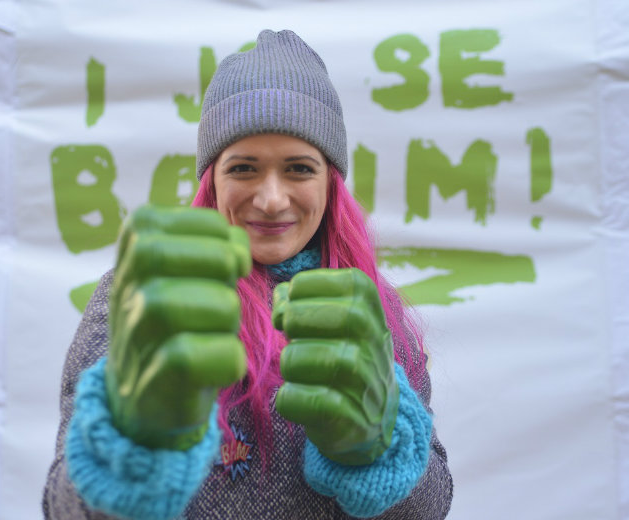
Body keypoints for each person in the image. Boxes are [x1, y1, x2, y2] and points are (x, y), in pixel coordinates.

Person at [43, 29, 453, 519]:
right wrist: (130, 449)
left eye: (299, 168)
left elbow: (433, 507)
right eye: (244, 168)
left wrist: (379, 453)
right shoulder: (147, 296)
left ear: (331, 182)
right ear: (212, 179)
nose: (272, 198)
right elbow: (62, 507)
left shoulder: (371, 312)